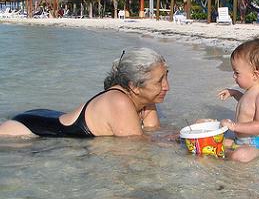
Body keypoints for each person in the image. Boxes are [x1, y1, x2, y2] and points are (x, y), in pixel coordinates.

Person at [0, 48, 169, 137]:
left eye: (166, 77)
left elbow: (153, 134)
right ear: (134, 86)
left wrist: (190, 131)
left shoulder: (147, 101)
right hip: (27, 130)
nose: (166, 86)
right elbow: (137, 149)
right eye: (159, 81)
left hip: (47, 117)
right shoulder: (119, 101)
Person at [218, 38, 259, 163]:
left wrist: (234, 126)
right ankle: (224, 154)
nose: (234, 76)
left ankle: (227, 156)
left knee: (240, 156)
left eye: (237, 73)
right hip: (239, 141)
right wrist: (234, 93)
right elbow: (246, 104)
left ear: (255, 75)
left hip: (255, 144)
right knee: (215, 141)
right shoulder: (249, 92)